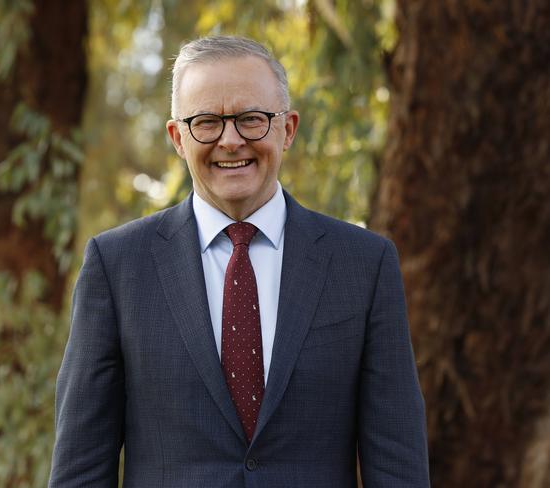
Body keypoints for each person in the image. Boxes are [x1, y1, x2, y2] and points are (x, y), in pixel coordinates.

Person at [49, 36, 430, 488]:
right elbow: (80, 473)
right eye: (206, 122)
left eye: (252, 119)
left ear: (287, 129)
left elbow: (399, 470)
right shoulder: (117, 268)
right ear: (177, 137)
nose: (230, 141)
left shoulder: (364, 266)